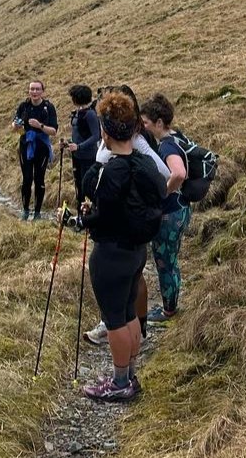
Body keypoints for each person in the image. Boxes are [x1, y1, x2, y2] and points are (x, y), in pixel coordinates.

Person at [77, 90, 166, 402]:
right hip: (136, 251)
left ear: (105, 131)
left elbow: (103, 212)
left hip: (111, 253)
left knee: (114, 318)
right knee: (129, 314)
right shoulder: (143, 164)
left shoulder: (109, 170)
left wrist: (86, 219)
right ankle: (128, 374)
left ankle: (118, 383)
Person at [140, 93, 191, 321]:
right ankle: (172, 303)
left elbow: (179, 173)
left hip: (170, 213)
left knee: (165, 262)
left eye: (146, 123)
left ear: (159, 123)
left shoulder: (167, 146)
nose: (144, 127)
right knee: (171, 260)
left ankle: (168, 309)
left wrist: (163, 192)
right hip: (181, 209)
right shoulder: (177, 137)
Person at [10, 80, 58, 221]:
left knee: (39, 179)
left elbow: (54, 131)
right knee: (26, 179)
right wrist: (16, 126)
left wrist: (40, 126)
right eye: (32, 89)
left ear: (42, 91)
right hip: (25, 145)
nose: (34, 92)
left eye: (37, 89)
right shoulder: (23, 106)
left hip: (42, 147)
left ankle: (37, 213)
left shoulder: (48, 107)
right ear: (29, 91)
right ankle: (25, 210)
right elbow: (13, 125)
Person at [66, 85, 100, 209]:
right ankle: (81, 216)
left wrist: (79, 147)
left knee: (87, 186)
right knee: (79, 186)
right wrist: (68, 143)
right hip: (77, 156)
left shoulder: (90, 114)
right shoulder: (78, 113)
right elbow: (78, 134)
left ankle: (89, 215)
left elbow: (96, 136)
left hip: (88, 157)